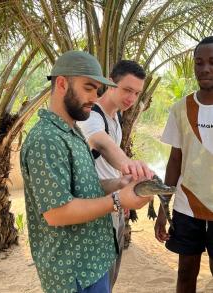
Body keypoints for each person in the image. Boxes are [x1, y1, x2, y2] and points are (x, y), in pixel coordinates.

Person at [20, 51, 153, 293]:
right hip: (73, 273)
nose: (95, 97)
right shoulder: (46, 139)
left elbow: (82, 188)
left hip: (93, 263)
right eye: (89, 88)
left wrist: (118, 183)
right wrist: (118, 200)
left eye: (98, 90)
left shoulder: (71, 132)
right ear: (61, 83)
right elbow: (57, 212)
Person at [78, 60, 154, 289]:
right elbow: (100, 143)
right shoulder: (92, 117)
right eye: (127, 90)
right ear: (110, 83)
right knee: (98, 279)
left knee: (110, 277)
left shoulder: (116, 117)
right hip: (97, 208)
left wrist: (125, 193)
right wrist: (130, 166)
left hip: (116, 204)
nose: (131, 98)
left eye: (137, 93)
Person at [154, 36, 213, 293]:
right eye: (199, 63)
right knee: (186, 272)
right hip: (187, 208)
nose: (205, 69)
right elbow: (174, 161)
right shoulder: (180, 108)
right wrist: (163, 209)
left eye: (212, 62)